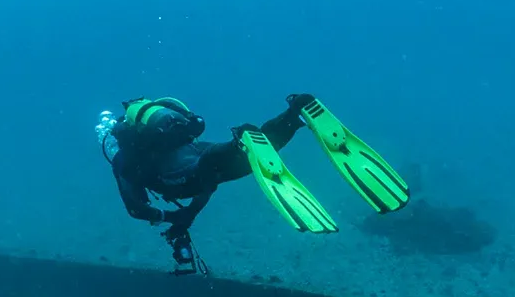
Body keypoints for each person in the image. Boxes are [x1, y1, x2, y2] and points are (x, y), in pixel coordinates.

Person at [99, 93, 410, 274]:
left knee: (211, 165)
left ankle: (243, 141)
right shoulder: (171, 140)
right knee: (244, 154)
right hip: (205, 158)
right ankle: (296, 112)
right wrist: (188, 216)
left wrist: (173, 217)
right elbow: (210, 181)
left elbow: (137, 210)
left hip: (186, 178)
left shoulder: (124, 162)